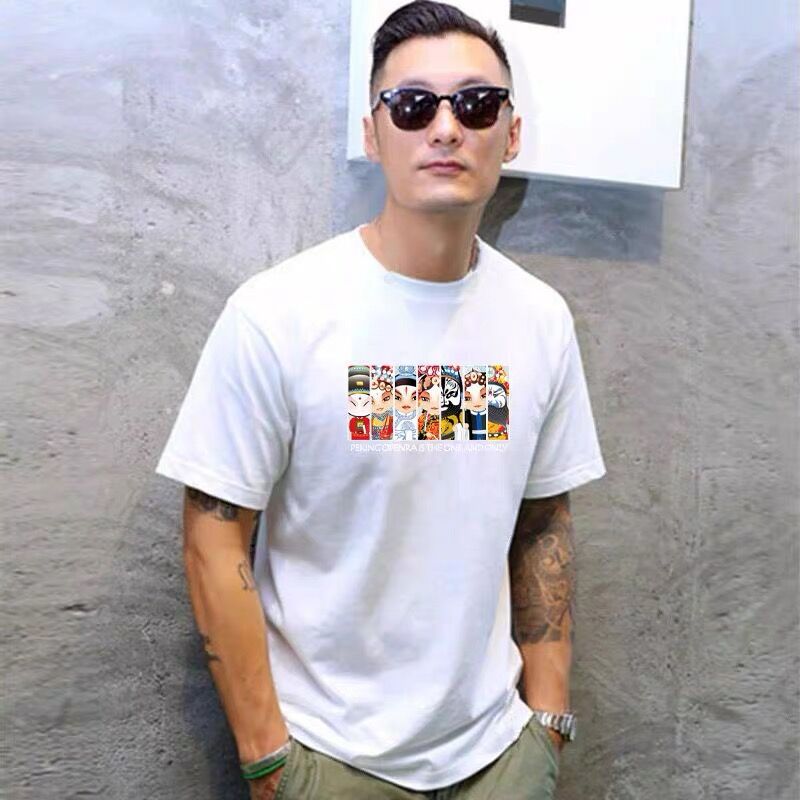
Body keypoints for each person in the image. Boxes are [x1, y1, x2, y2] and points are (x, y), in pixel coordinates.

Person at [154, 2, 607, 798]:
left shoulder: (540, 320)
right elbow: (213, 535)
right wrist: (268, 760)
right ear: (373, 134)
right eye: (413, 105)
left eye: (477, 104)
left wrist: (547, 722)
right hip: (328, 761)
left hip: (499, 757)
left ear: (511, 134)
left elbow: (544, 521)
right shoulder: (280, 312)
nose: (446, 129)